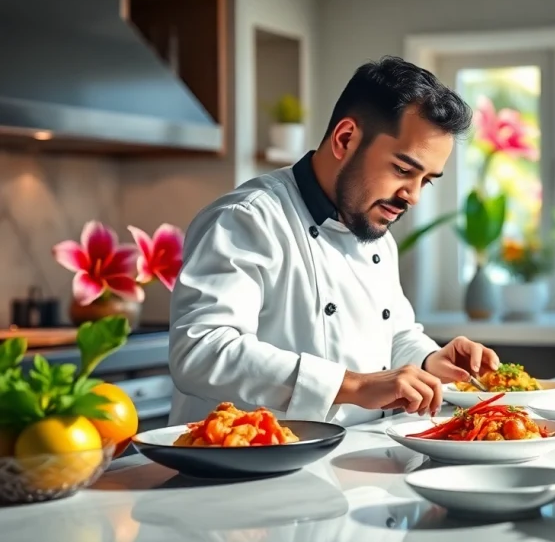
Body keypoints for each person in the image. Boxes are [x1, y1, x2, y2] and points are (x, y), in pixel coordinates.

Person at [167, 55, 500, 426]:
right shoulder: (246, 219)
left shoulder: (375, 231)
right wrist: (351, 385)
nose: (413, 196)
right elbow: (200, 352)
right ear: (345, 139)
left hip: (354, 462)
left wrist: (429, 359)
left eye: (426, 180)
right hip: (242, 467)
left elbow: (392, 334)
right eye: (403, 170)